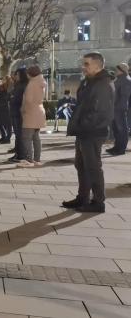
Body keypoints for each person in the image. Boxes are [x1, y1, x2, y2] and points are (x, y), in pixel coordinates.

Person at [64, 53, 114, 213]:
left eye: (87, 64)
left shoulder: (103, 84)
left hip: (93, 131)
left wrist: (83, 125)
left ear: (98, 65)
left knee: (93, 166)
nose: (83, 67)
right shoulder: (89, 81)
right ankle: (82, 197)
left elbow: (100, 111)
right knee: (81, 164)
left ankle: (98, 202)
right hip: (84, 130)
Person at [18, 66, 47, 167]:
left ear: (30, 74)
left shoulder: (32, 83)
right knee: (36, 137)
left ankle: (28, 160)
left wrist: (23, 110)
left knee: (26, 138)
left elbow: (28, 100)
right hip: (39, 111)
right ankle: (37, 159)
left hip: (31, 113)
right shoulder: (41, 82)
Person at [107, 63, 131, 156]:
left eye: (117, 69)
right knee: (116, 129)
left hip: (119, 108)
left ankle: (121, 149)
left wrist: (117, 106)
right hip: (114, 107)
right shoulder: (120, 79)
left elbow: (124, 96)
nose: (116, 71)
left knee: (121, 129)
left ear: (122, 70)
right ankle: (116, 147)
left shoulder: (126, 80)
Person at [8, 68, 29, 163]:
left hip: (18, 112)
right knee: (17, 134)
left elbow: (16, 98)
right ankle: (18, 153)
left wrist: (12, 98)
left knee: (19, 134)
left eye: (17, 74)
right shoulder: (18, 85)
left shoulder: (23, 85)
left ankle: (21, 155)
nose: (15, 76)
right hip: (15, 111)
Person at [0, 79, 13, 144]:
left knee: (8, 124)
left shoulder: (7, 90)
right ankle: (4, 136)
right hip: (1, 109)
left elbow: (6, 98)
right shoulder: (1, 90)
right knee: (0, 123)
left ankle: (7, 138)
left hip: (6, 109)